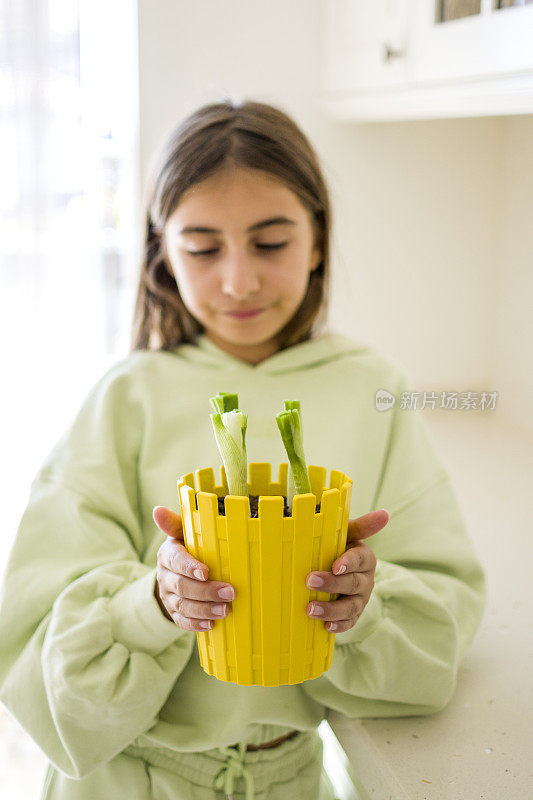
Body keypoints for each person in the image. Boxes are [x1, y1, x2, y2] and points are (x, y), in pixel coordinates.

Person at [0, 99, 486, 800]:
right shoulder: (125, 399)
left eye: (270, 242)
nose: (238, 280)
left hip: (292, 778)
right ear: (161, 253)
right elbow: (35, 654)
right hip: (127, 780)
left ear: (317, 239)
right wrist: (156, 603)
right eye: (201, 248)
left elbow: (440, 623)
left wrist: (362, 605)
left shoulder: (373, 389)